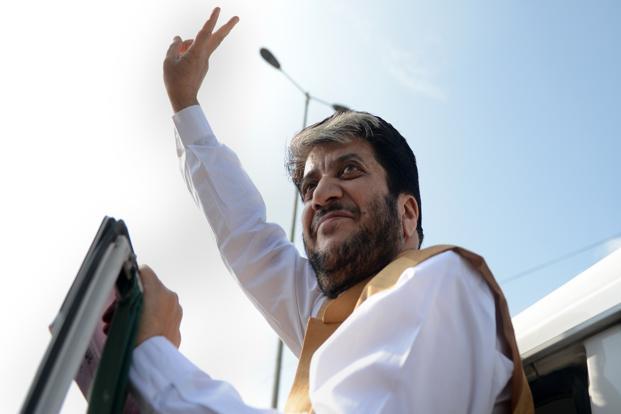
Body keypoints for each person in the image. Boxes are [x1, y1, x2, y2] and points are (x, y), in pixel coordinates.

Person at [128, 7, 534, 414]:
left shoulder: (439, 283)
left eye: (349, 169)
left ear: (408, 213)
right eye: (309, 186)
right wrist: (185, 104)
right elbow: (247, 237)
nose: (320, 195)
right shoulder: (332, 311)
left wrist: (153, 359)